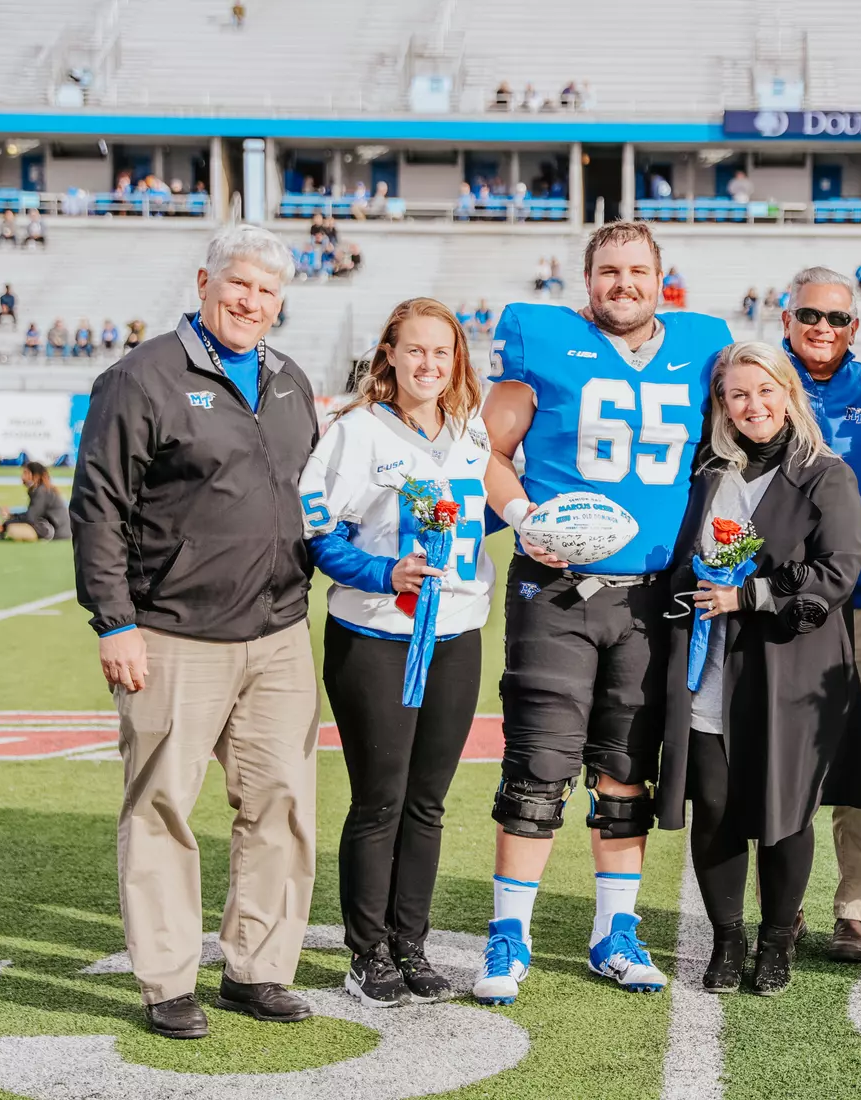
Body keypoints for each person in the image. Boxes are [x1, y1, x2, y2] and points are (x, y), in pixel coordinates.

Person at [69, 225, 320, 1041]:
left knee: (280, 805)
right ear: (206, 280)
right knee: (163, 807)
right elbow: (98, 505)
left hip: (280, 633)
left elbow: (308, 496)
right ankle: (168, 980)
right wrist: (115, 621)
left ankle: (257, 968)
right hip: (173, 634)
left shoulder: (290, 381)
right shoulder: (141, 378)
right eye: (239, 284)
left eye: (268, 292)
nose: (251, 302)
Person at [472, 222, 733, 1005]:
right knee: (539, 765)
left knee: (626, 771)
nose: (624, 283)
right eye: (609, 271)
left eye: (638, 271)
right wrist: (523, 517)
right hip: (555, 593)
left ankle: (613, 932)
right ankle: (507, 933)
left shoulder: (704, 346)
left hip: (653, 599)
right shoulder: (540, 338)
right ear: (586, 281)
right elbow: (481, 449)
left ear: (661, 278)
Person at [655, 340, 861, 996]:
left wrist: (749, 594)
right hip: (711, 667)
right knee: (715, 807)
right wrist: (692, 584)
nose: (753, 405)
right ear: (722, 404)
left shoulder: (825, 472)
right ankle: (727, 939)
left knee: (784, 810)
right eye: (737, 394)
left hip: (790, 669)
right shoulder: (707, 470)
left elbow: (840, 570)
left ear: (789, 395)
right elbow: (681, 557)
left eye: (766, 391)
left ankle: (777, 941)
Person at [300, 298, 492, 1007]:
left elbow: (483, 512)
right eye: (415, 350)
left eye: (442, 353)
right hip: (376, 636)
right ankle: (366, 951)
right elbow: (318, 533)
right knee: (380, 800)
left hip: (456, 635)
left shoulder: (470, 430)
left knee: (428, 802)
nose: (429, 365)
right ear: (388, 354)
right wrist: (384, 574)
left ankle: (412, 943)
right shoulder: (355, 432)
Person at [779, 268, 861, 962]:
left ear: (857, 326)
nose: (823, 328)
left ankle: (856, 908)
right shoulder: (758, 381)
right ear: (787, 318)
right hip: (777, 606)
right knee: (780, 757)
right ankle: (782, 901)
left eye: (838, 319)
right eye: (810, 316)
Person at [0, 461, 71, 541]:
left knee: (13, 529)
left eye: (26, 473)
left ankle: (0, 532)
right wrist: (11, 516)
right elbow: (32, 514)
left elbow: (30, 517)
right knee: (15, 525)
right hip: (56, 529)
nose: (22, 477)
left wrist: (5, 525)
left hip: (55, 531)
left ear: (35, 476)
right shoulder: (41, 489)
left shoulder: (41, 491)